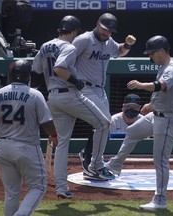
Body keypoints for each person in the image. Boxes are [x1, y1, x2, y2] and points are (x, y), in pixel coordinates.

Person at [32, 15, 115, 199]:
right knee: (104, 123)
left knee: (62, 144)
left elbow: (36, 71)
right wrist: (77, 81)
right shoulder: (69, 47)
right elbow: (59, 69)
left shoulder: (45, 45)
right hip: (69, 95)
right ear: (75, 31)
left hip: (53, 97)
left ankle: (61, 188)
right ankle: (95, 166)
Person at [105, 35, 173, 210]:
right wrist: (151, 104)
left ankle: (161, 200)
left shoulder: (171, 67)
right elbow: (165, 93)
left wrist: (140, 85)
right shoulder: (165, 65)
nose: (150, 57)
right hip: (157, 114)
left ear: (161, 51)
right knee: (132, 131)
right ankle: (115, 165)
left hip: (168, 120)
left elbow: (161, 86)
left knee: (160, 161)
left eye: (152, 53)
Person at [0, 59, 58, 216]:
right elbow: (47, 122)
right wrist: (54, 135)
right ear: (27, 76)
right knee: (39, 187)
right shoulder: (35, 95)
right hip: (27, 147)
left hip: (3, 147)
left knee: (11, 193)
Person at [73, 13, 136, 177]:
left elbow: (119, 51)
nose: (106, 33)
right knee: (104, 123)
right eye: (104, 29)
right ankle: (95, 164)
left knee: (101, 125)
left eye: (109, 31)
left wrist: (127, 45)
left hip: (100, 89)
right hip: (84, 87)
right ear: (97, 24)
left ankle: (88, 157)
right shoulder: (83, 39)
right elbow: (67, 60)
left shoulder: (108, 42)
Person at [79, 94, 143, 171]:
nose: (131, 109)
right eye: (128, 106)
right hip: (113, 154)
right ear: (123, 107)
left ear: (139, 108)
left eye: (134, 107)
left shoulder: (143, 121)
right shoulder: (113, 120)